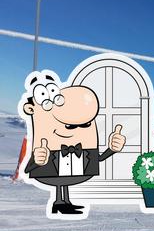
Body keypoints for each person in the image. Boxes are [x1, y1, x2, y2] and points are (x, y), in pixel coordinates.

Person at [21, 71, 126, 216]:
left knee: (64, 180)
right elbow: (28, 169)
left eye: (85, 125)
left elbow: (98, 158)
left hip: (74, 168)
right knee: (59, 179)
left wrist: (113, 148)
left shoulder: (84, 149)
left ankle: (64, 202)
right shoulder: (45, 146)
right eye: (70, 125)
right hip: (52, 167)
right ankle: (59, 202)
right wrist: (37, 161)